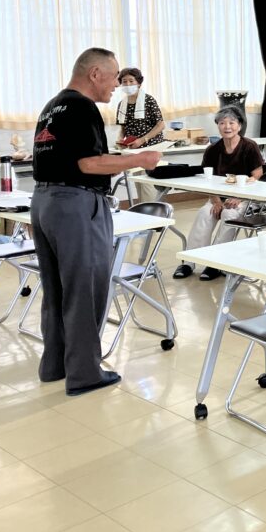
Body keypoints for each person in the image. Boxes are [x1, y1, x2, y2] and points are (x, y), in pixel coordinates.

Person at [31, 47, 162, 396]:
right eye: (114, 77)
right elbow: (88, 164)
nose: (117, 85)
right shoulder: (82, 107)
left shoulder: (53, 106)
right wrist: (140, 158)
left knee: (56, 290)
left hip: (44, 202)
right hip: (74, 205)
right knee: (85, 289)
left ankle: (55, 365)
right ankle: (85, 373)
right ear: (94, 74)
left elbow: (72, 159)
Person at [174, 107, 264, 281]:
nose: (227, 126)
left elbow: (257, 174)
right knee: (204, 213)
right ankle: (189, 261)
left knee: (229, 214)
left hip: (246, 197)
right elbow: (208, 180)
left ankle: (216, 262)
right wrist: (215, 201)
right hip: (219, 196)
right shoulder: (213, 149)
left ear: (239, 125)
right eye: (222, 123)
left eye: (231, 122)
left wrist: (240, 197)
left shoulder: (249, 146)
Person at [115, 67, 165, 148]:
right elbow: (123, 128)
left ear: (139, 83)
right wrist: (120, 139)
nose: (128, 84)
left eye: (131, 81)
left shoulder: (149, 100)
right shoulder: (121, 104)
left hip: (152, 145)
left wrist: (142, 140)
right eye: (124, 81)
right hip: (133, 147)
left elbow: (161, 125)